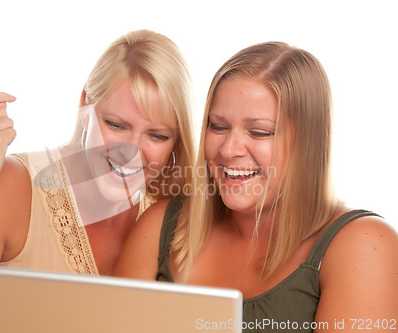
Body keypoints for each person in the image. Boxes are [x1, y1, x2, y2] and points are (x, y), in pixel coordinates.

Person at [115, 42, 398, 331]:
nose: (228, 149)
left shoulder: (365, 245)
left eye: (259, 132)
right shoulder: (161, 225)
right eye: (218, 126)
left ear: (307, 145)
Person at [0, 29, 196, 276]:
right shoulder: (14, 186)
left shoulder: (168, 221)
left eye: (157, 135)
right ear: (86, 105)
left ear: (176, 142)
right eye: (115, 125)